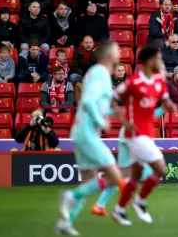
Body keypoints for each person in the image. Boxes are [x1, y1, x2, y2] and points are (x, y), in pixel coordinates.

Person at [55, 41, 126, 235]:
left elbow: (96, 100)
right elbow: (87, 100)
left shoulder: (97, 73)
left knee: (88, 183)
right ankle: (69, 195)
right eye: (116, 49)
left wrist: (113, 111)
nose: (119, 52)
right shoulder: (101, 73)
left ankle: (66, 223)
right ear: (109, 55)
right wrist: (101, 121)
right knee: (114, 177)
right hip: (87, 133)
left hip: (82, 132)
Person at [111, 46, 177, 226]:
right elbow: (112, 97)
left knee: (135, 176)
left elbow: (164, 100)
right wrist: (123, 121)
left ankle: (119, 210)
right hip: (135, 134)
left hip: (147, 134)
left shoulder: (158, 81)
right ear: (149, 61)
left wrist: (169, 105)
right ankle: (140, 201)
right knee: (161, 169)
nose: (160, 62)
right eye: (158, 58)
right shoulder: (133, 82)